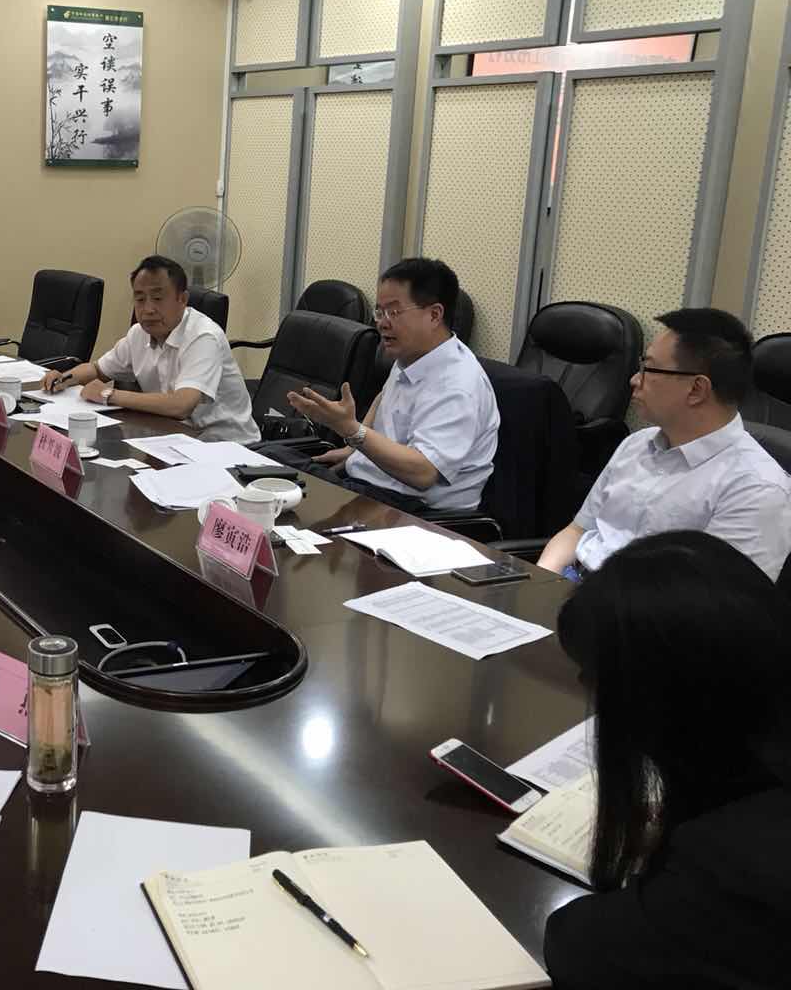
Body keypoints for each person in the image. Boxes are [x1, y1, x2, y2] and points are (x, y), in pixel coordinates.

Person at [542, 531, 791, 987]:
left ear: (659, 701)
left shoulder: (727, 866)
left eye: (594, 679)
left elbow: (577, 945)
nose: (584, 689)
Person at [538, 308, 791, 582]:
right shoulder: (636, 443)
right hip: (571, 584)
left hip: (634, 608)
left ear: (696, 389)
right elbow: (577, 531)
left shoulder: (756, 488)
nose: (634, 379)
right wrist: (540, 582)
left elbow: (715, 601)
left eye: (648, 369)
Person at [282, 257, 498, 512]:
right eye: (379, 311)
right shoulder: (413, 354)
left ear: (434, 315)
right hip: (368, 486)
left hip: (411, 511)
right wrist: (355, 449)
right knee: (270, 461)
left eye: (394, 312)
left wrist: (352, 431)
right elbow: (384, 398)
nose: (382, 322)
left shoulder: (458, 385)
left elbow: (423, 472)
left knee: (277, 489)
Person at [37, 255, 259, 443]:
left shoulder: (203, 336)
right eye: (140, 299)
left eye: (158, 298)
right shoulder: (138, 333)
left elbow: (181, 405)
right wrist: (64, 378)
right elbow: (97, 369)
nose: (148, 309)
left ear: (182, 299)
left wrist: (108, 394)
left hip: (227, 448)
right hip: (172, 437)